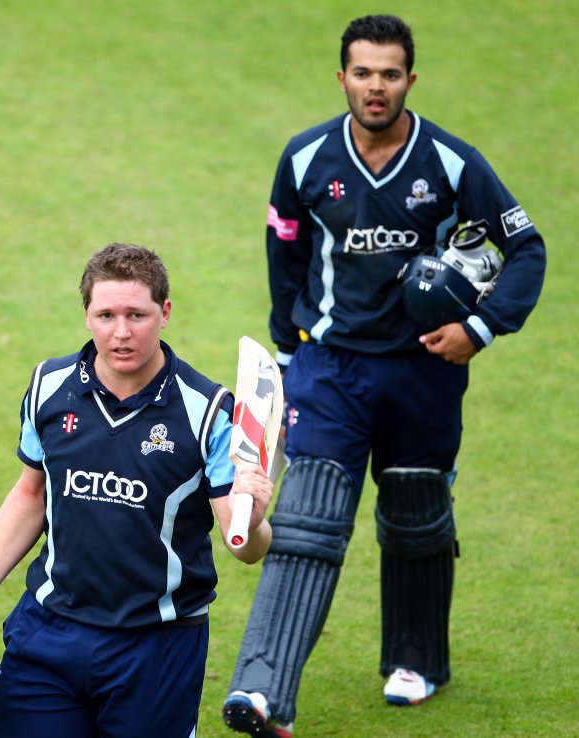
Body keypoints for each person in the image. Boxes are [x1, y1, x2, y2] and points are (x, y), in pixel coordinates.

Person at [222, 14, 546, 737]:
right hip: (330, 369)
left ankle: (416, 661)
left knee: (415, 521)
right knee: (307, 522)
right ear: (342, 77)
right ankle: (263, 690)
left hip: (423, 373)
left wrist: (480, 329)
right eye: (363, 72)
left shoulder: (453, 164)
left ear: (410, 80)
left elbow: (526, 247)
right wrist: (285, 352)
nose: (376, 86)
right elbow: (286, 256)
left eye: (390, 73)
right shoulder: (306, 160)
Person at [0, 243, 275, 737]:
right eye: (107, 315)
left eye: (136, 315)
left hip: (156, 647)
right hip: (49, 634)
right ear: (86, 315)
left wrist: (257, 514)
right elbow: (32, 494)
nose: (121, 333)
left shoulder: (206, 413)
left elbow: (244, 547)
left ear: (165, 313)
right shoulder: (48, 387)